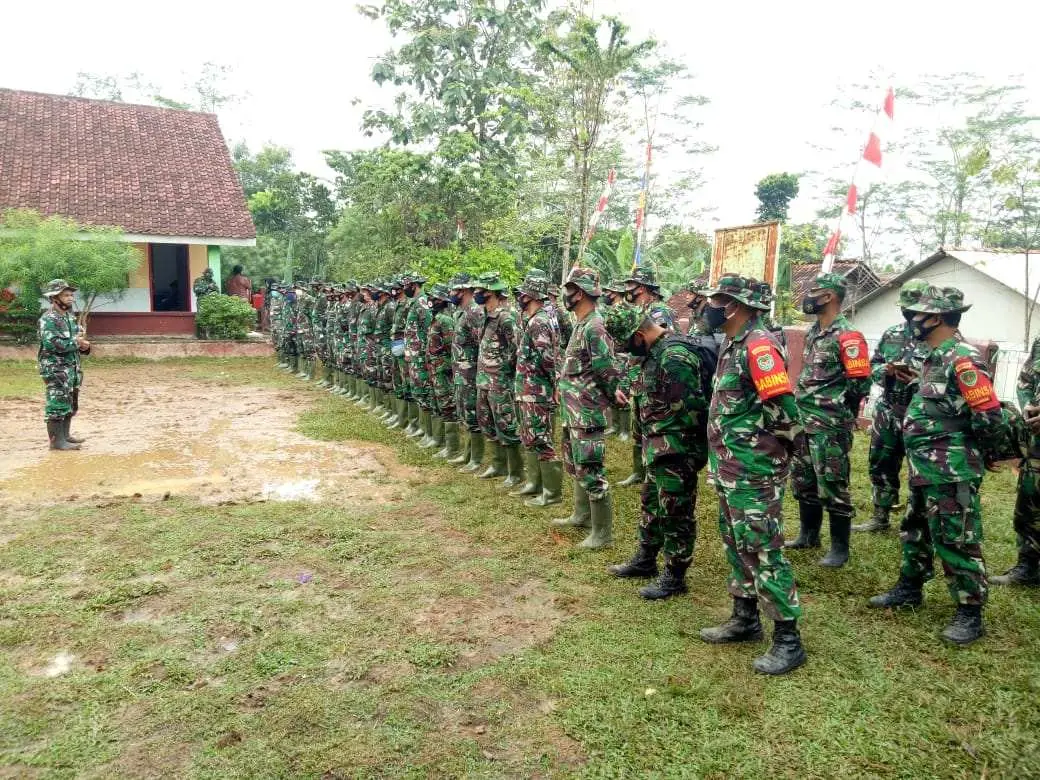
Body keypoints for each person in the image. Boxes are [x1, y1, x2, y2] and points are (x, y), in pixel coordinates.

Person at [869, 286, 1010, 646]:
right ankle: (910, 586)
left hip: (951, 467)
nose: (910, 319)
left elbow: (989, 415)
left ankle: (969, 610)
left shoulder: (963, 359)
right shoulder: (934, 357)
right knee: (915, 526)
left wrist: (985, 455)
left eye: (916, 313)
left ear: (935, 318)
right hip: (925, 464)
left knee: (955, 536)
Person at [697, 274, 806, 675]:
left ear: (738, 305)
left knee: (762, 546)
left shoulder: (759, 346)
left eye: (718, 300)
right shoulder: (733, 344)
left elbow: (782, 409)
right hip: (731, 465)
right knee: (736, 540)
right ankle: (745, 618)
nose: (710, 307)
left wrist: (775, 456)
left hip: (753, 467)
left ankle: (788, 639)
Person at [605, 303, 709, 600]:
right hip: (658, 447)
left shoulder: (674, 357)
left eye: (627, 343)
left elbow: (694, 411)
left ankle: (675, 576)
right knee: (652, 502)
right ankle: (646, 559)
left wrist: (685, 453)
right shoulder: (653, 353)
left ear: (639, 335)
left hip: (678, 450)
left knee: (676, 512)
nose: (627, 350)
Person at [786, 272, 871, 568]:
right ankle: (808, 535)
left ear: (830, 297)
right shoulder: (813, 331)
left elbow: (860, 383)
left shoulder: (848, 336)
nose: (808, 296)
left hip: (829, 424)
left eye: (815, 292)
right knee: (804, 479)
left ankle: (839, 548)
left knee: (833, 482)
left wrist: (839, 410)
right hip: (804, 418)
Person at [855, 279, 931, 533]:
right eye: (906, 308)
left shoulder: (941, 340)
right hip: (889, 408)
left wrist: (919, 379)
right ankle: (880, 515)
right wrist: (886, 371)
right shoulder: (892, 334)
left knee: (919, 468)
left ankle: (916, 521)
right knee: (881, 461)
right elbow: (871, 366)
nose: (909, 313)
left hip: (921, 413)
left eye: (914, 308)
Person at [552, 267, 620, 549]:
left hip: (587, 412)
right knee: (576, 464)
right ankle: (581, 515)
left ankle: (602, 534)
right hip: (573, 411)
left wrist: (611, 398)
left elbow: (607, 371)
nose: (565, 295)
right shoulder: (581, 323)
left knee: (591, 468)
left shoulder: (595, 326)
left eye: (569, 290)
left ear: (580, 293)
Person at [512, 270, 563, 507]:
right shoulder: (534, 319)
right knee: (531, 437)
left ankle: (551, 494)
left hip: (537, 392)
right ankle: (535, 484)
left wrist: (554, 387)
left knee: (542, 440)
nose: (520, 296)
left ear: (532, 295)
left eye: (523, 293)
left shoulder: (540, 321)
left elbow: (549, 360)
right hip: (528, 390)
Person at [472, 271, 524, 487]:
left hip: (500, 382)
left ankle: (516, 472)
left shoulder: (506, 317)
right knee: (487, 422)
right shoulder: (485, 314)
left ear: (491, 292)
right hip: (483, 379)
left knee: (506, 425)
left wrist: (504, 371)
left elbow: (517, 349)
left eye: (480, 291)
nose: (476, 294)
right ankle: (497, 464)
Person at [38, 279, 90, 451]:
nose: (71, 298)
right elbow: (53, 344)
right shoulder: (48, 319)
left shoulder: (69, 317)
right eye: (66, 295)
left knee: (70, 401)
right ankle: (56, 442)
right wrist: (77, 343)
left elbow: (75, 339)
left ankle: (65, 436)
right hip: (55, 368)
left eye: (71, 294)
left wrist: (84, 346)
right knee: (57, 403)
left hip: (71, 367)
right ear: (54, 298)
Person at [452, 274, 487, 472]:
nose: (451, 294)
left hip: (471, 372)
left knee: (472, 414)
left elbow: (481, 342)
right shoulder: (460, 311)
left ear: (464, 291)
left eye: (454, 291)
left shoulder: (474, 312)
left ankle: (476, 458)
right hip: (460, 372)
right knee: (464, 412)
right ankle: (467, 454)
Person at [426, 284, 464, 460]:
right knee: (438, 404)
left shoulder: (445, 320)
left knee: (448, 406)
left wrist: (446, 367)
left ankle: (453, 448)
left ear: (441, 300)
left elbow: (451, 347)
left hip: (442, 369)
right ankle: (440, 440)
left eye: (434, 298)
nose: (431, 301)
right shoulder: (436, 318)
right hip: (434, 368)